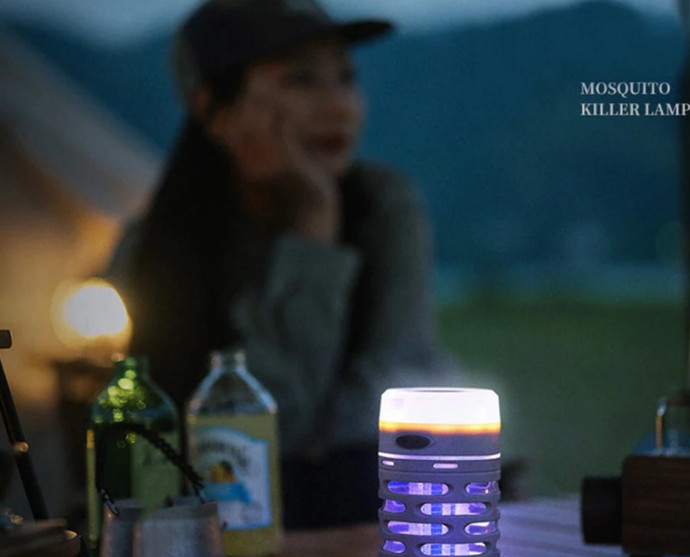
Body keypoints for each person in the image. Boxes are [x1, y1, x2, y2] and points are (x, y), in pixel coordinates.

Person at [106, 0, 460, 529]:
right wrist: (312, 227)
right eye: (301, 80)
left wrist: (314, 218)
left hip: (363, 517)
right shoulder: (156, 248)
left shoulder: (382, 205)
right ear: (216, 111)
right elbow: (264, 441)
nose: (340, 107)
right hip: (216, 530)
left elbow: (394, 402)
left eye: (346, 78)